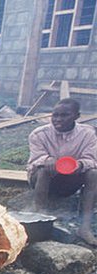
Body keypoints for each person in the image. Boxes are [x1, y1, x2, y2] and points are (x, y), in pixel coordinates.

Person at [28, 99, 97, 245]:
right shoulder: (39, 134)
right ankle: (39, 218)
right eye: (55, 115)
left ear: (77, 116)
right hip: (44, 179)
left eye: (64, 115)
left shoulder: (88, 134)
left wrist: (79, 165)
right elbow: (34, 161)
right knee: (44, 169)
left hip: (72, 179)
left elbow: (92, 160)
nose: (58, 119)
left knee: (93, 173)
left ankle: (84, 227)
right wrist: (47, 159)